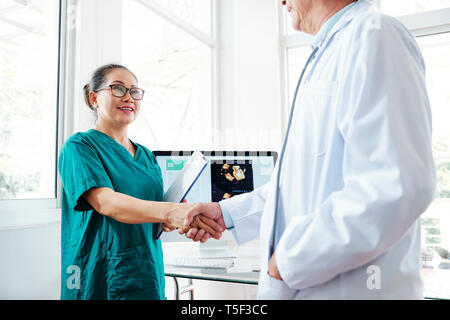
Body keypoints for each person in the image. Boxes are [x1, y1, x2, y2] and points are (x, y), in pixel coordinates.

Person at [181, 0, 437, 299]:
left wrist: (286, 262)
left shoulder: (375, 36)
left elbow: (394, 186)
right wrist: (226, 213)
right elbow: (299, 188)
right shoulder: (330, 51)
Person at [58, 64, 224, 300]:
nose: (128, 97)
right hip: (99, 273)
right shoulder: (79, 147)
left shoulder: (146, 156)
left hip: (146, 273)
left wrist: (186, 217)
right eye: (118, 88)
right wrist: (171, 211)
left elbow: (155, 217)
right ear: (94, 97)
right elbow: (107, 204)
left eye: (134, 91)